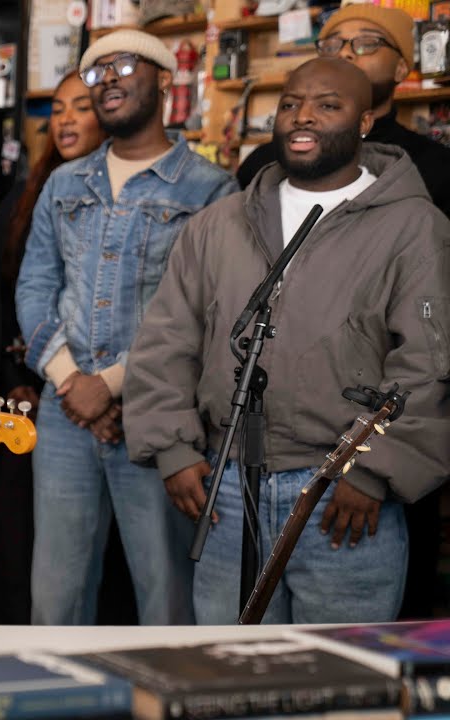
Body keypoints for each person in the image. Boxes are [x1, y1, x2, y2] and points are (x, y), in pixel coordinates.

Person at [125, 58, 450, 624]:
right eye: (291, 104)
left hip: (342, 499)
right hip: (227, 490)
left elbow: (427, 364)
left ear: (366, 121)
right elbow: (166, 339)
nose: (303, 117)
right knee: (230, 681)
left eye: (328, 105)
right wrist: (173, 448)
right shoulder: (219, 223)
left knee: (340, 686)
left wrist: (374, 470)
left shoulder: (414, 228)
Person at [16, 29, 238, 625]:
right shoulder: (65, 184)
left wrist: (109, 386)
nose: (106, 78)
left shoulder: (211, 188)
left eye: (121, 65)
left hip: (162, 416)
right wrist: (72, 383)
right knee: (55, 599)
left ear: (166, 79)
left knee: (165, 596)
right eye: (94, 72)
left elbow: (208, 313)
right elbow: (35, 288)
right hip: (64, 416)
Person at [0, 70, 108, 624]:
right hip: (30, 389)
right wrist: (21, 379)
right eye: (58, 108)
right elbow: (10, 293)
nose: (67, 118)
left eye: (83, 106)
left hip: (104, 390)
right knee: (30, 556)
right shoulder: (32, 190)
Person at [236, 5, 450, 219]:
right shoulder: (264, 163)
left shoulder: (434, 166)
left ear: (401, 68)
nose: (344, 52)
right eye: (331, 46)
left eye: (367, 44)